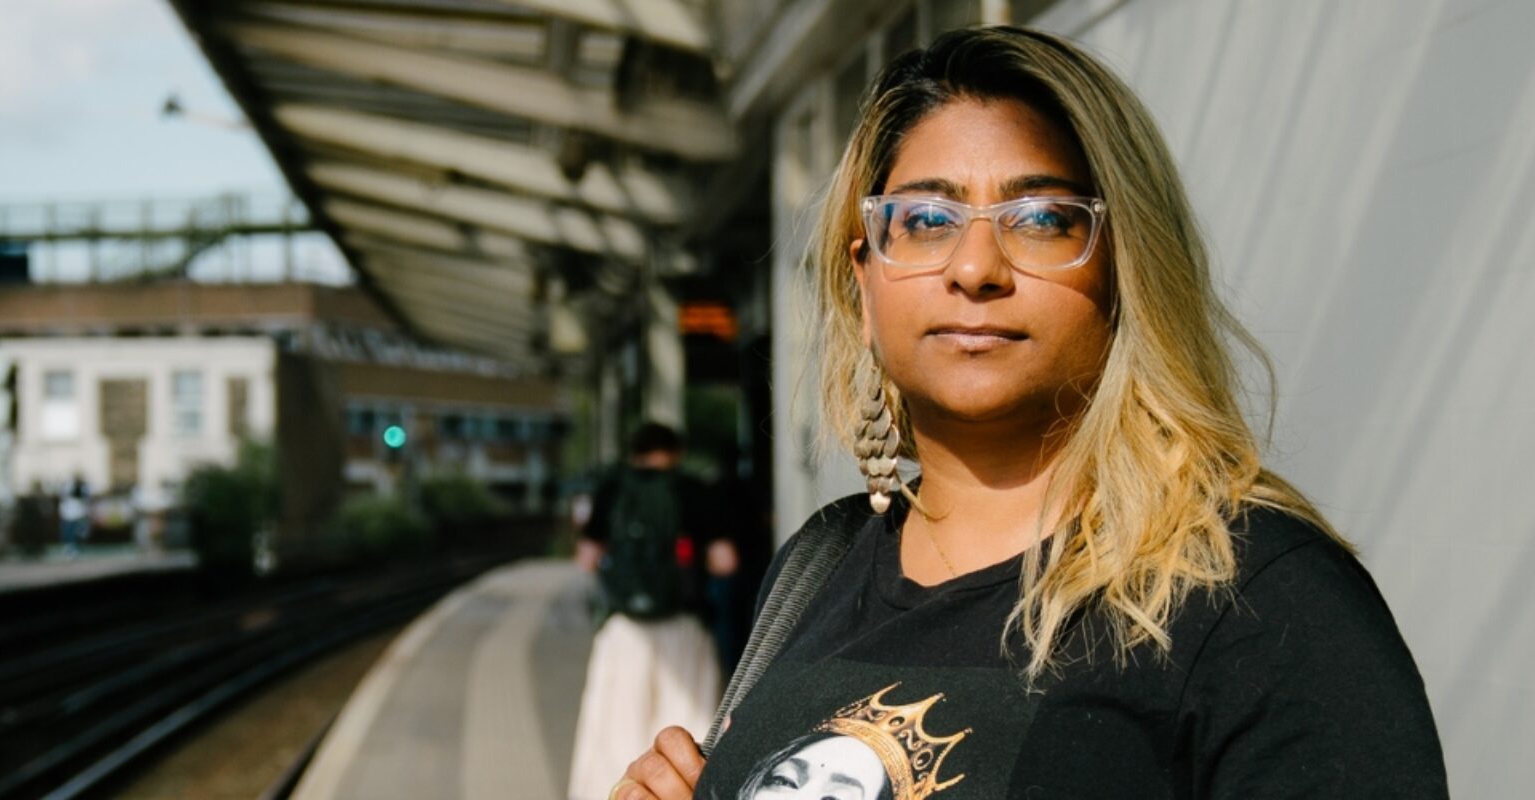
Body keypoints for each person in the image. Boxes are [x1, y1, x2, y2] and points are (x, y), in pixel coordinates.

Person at [612, 26, 1446, 800]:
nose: (976, 267)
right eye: (928, 219)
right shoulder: (817, 571)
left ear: (1129, 268)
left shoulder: (1258, 604)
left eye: (1043, 219)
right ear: (864, 283)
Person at [570, 423, 735, 800]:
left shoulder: (612, 488)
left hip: (624, 631)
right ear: (675, 453)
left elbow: (586, 560)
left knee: (616, 724)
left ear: (634, 452)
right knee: (687, 722)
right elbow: (724, 561)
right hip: (683, 627)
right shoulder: (691, 490)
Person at [58, 475, 89, 557]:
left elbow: (85, 499)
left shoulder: (83, 488)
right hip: (69, 514)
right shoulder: (68, 487)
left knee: (79, 530)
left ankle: (76, 546)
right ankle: (70, 546)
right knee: (69, 530)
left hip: (78, 513)